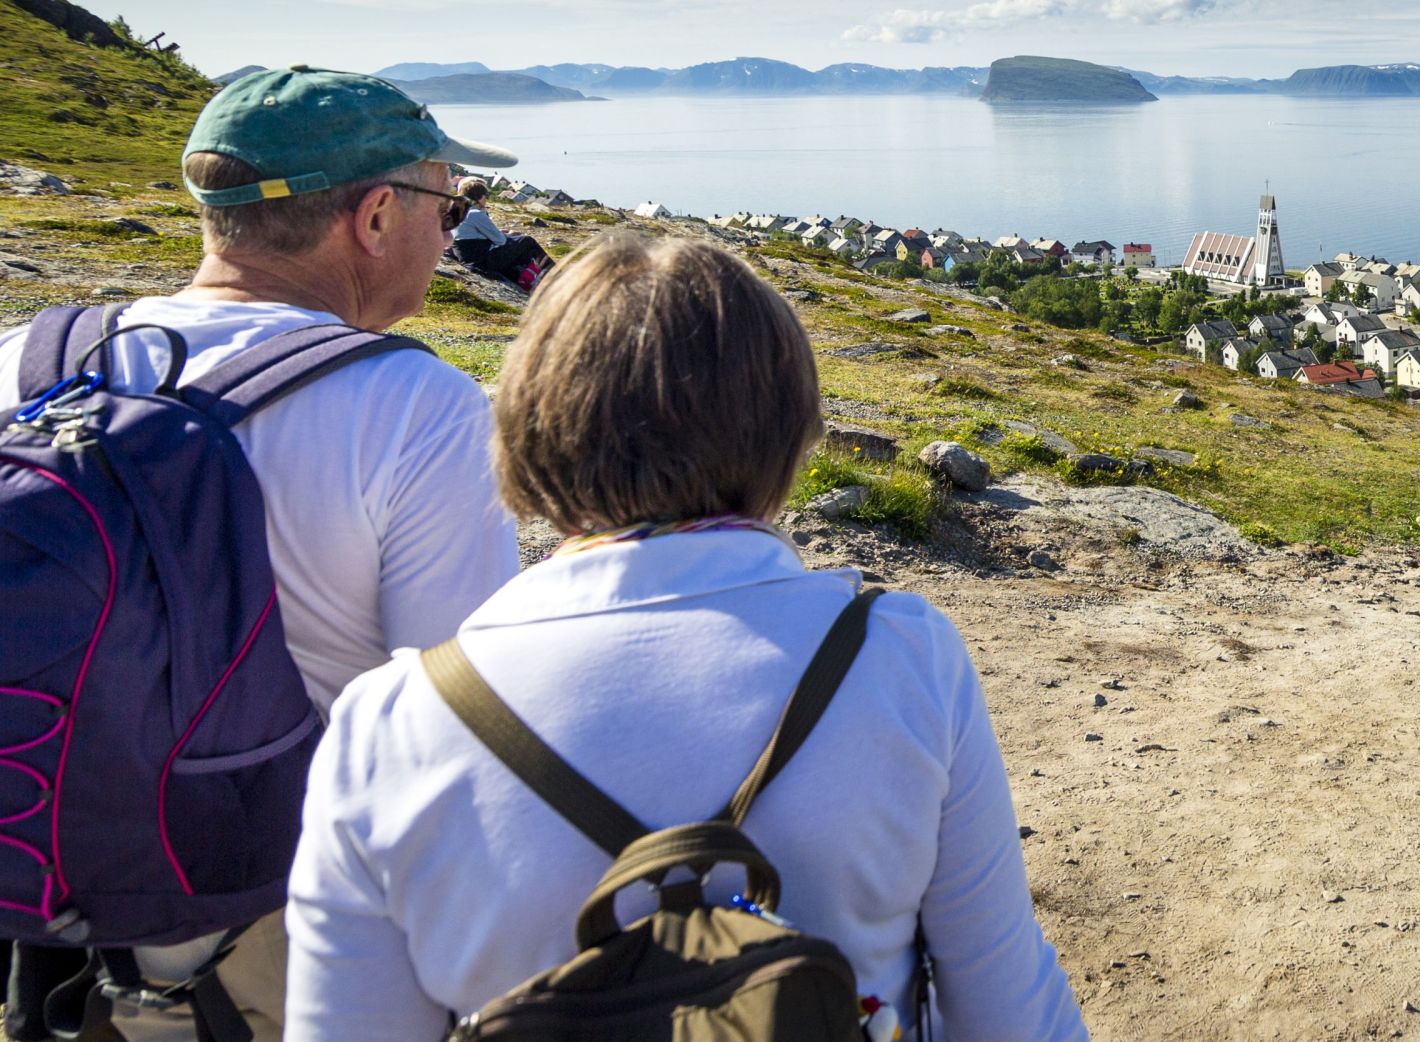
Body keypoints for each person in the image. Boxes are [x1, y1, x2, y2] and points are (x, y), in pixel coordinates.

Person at [284, 235, 1089, 1041]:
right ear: (785, 428)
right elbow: (1006, 1003)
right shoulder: (900, 657)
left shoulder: (389, 723)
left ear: (529, 425)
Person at [0, 66, 521, 1040]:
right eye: (450, 208)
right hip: (269, 934)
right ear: (373, 217)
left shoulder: (21, 357)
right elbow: (455, 734)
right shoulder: (418, 411)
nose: (452, 236)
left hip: (31, 894)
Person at [449, 176, 552, 290]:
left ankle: (530, 279)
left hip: (468, 258)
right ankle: (555, 273)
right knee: (526, 241)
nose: (486, 199)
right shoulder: (475, 213)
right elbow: (500, 240)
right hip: (481, 261)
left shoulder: (457, 211)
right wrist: (509, 234)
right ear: (480, 197)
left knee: (514, 245)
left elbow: (472, 235)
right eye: (486, 196)